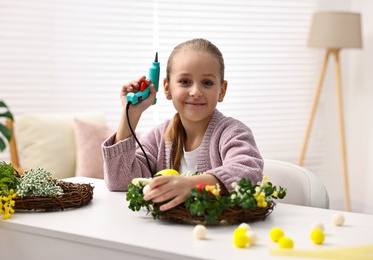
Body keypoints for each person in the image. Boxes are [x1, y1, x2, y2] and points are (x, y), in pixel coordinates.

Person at [102, 38, 263, 211]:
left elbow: (248, 172)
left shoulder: (233, 132)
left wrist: (191, 185)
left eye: (207, 83)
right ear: (167, 88)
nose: (195, 92)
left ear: (222, 91)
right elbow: (120, 181)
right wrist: (131, 113)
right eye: (185, 82)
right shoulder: (159, 136)